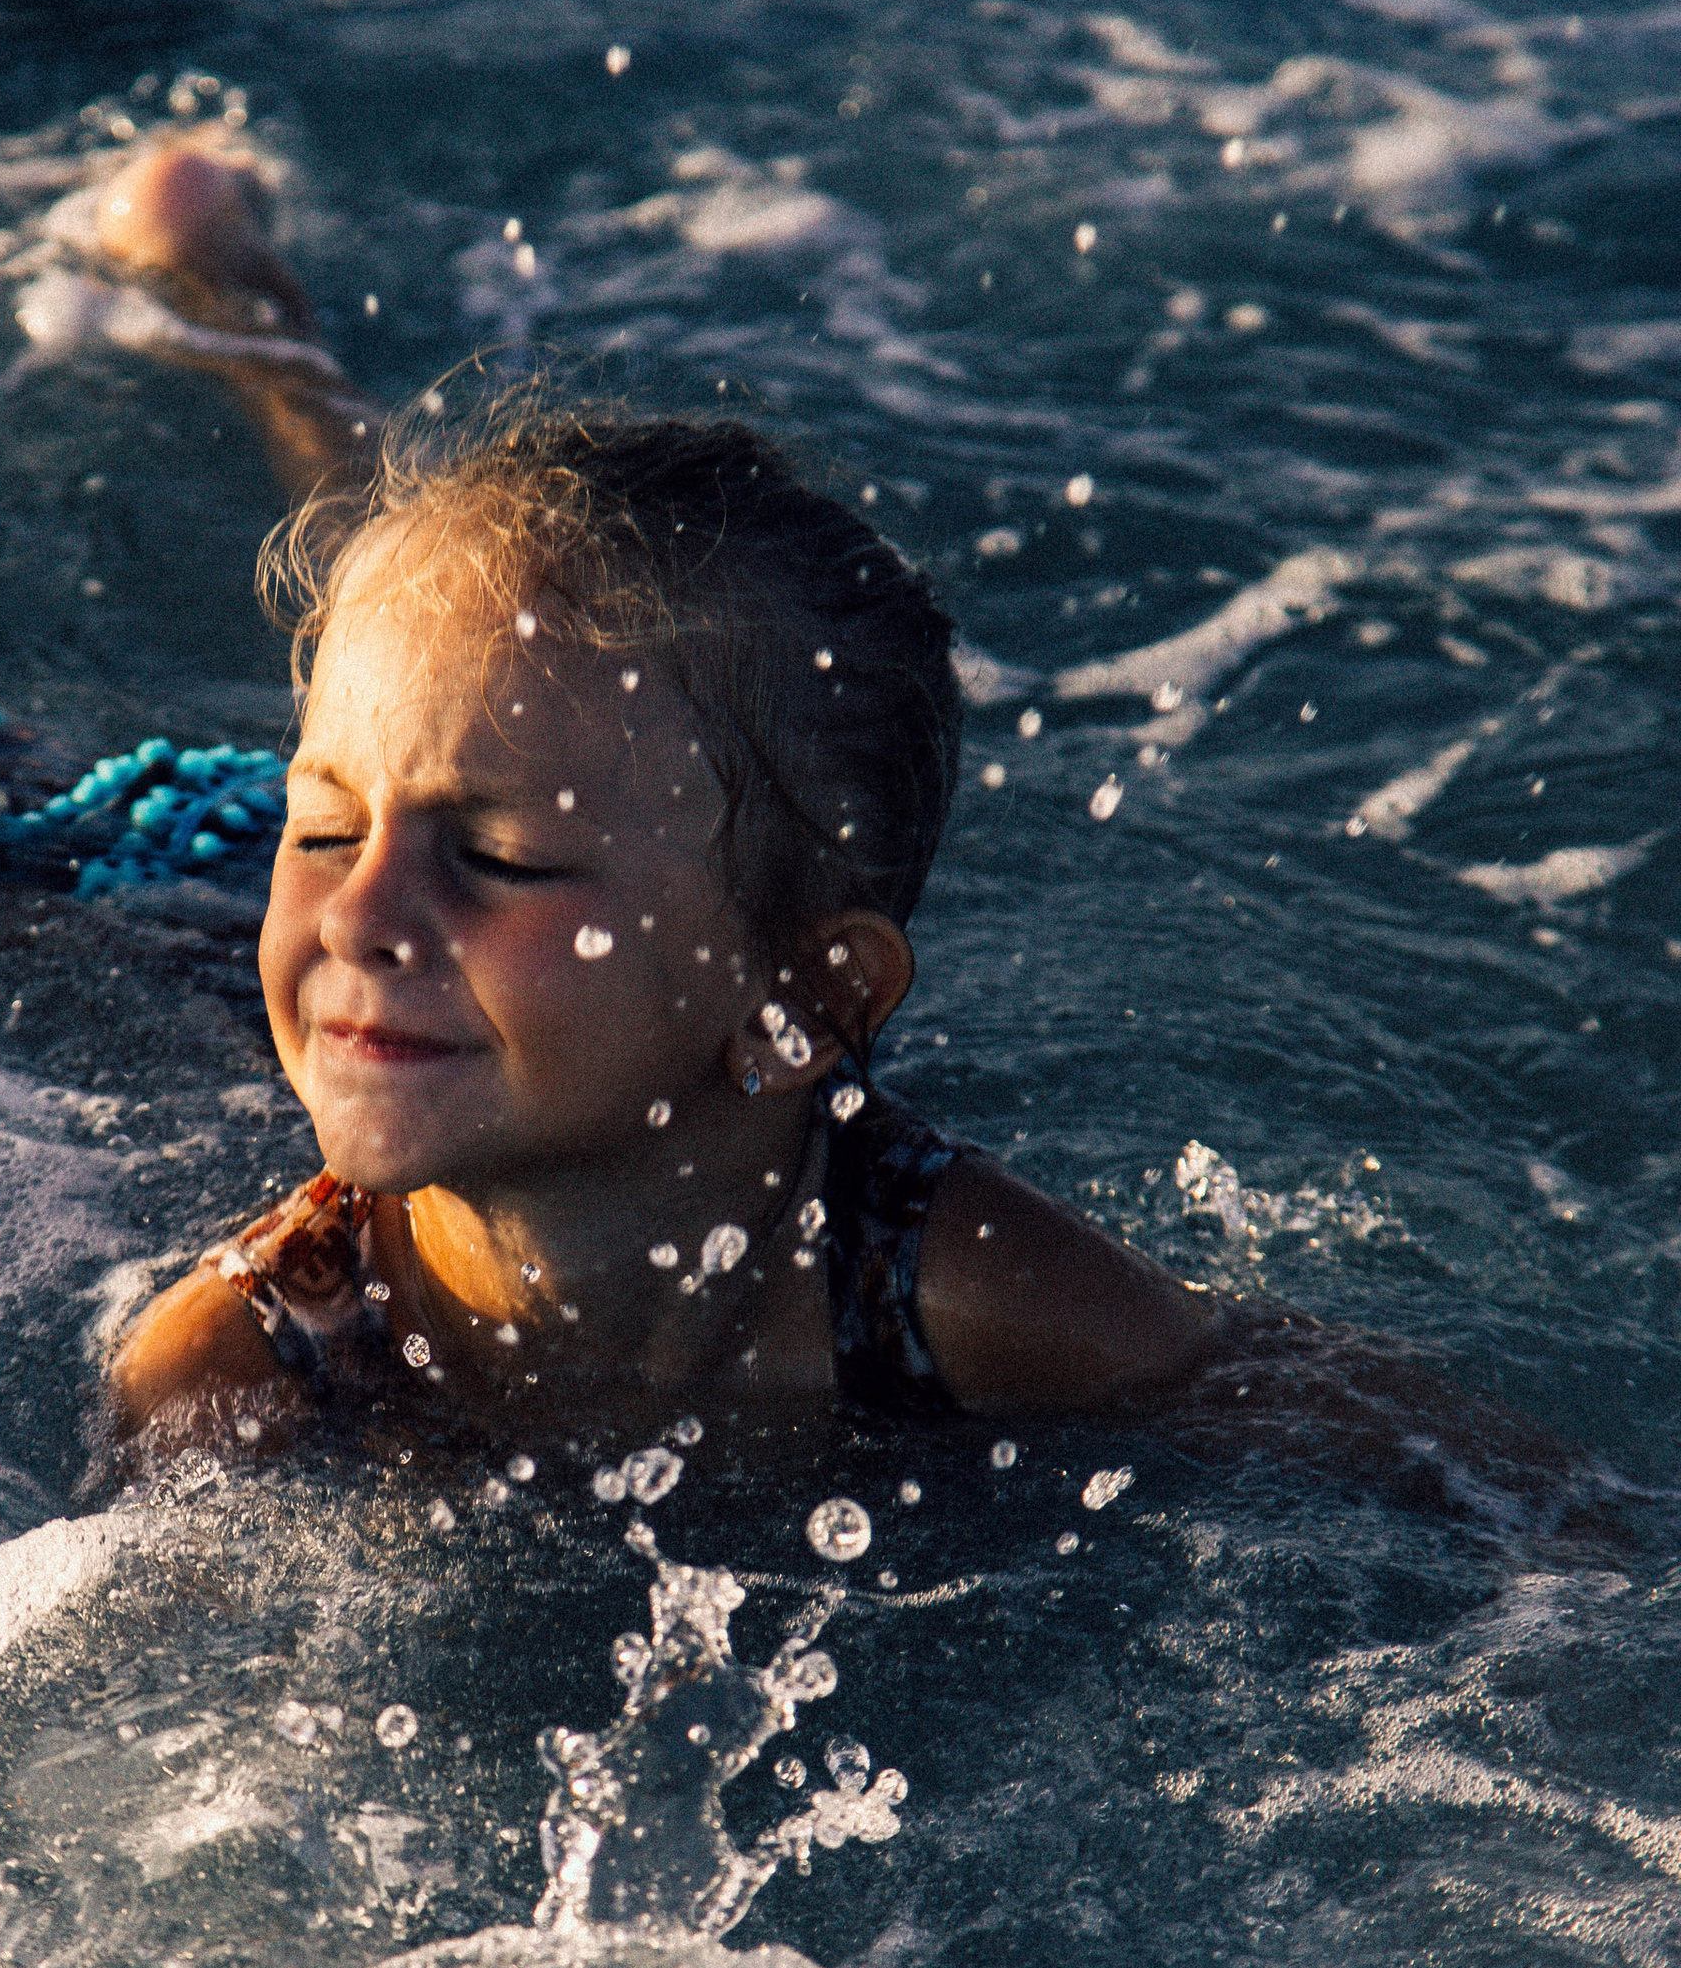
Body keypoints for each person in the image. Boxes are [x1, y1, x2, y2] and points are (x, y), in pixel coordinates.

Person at [91, 138, 1584, 1509]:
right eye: (326, 833)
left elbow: (1477, 1482)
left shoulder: (933, 1284)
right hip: (139, 890)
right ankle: (240, 318)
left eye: (501, 860)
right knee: (422, 627)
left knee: (460, 665)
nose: (361, 915)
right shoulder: (248, 1354)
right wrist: (403, 845)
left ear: (801, 1000)